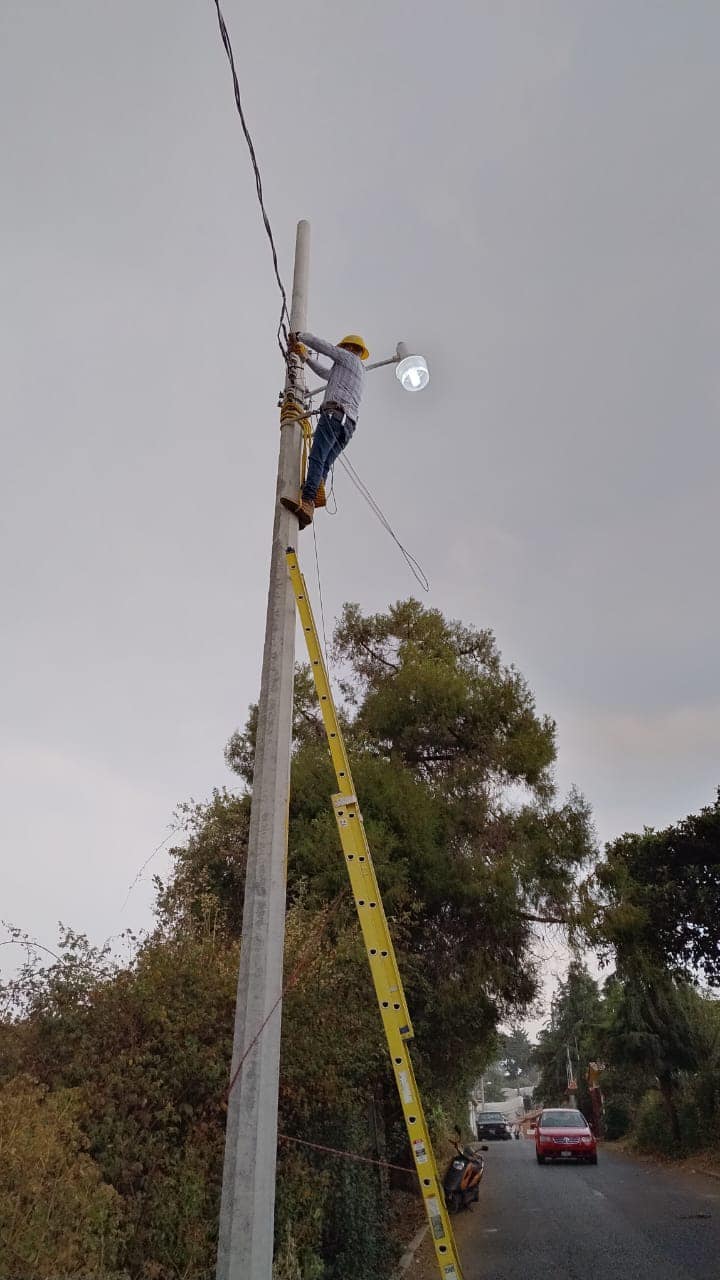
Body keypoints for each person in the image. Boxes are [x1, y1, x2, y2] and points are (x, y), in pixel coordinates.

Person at [281, 331, 370, 528]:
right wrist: (305, 357)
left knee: (317, 457)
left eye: (343, 347)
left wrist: (299, 336)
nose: (340, 349)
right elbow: (326, 374)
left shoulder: (348, 358)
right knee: (324, 462)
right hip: (348, 425)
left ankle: (308, 499)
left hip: (335, 414)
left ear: (351, 349)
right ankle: (309, 503)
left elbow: (326, 348)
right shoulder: (358, 371)